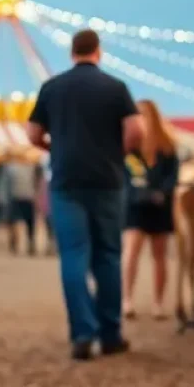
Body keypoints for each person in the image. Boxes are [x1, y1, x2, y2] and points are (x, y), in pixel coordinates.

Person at [27, 28, 143, 361]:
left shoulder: (53, 88)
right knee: (107, 256)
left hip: (67, 182)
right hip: (107, 179)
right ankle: (110, 334)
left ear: (72, 52)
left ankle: (82, 333)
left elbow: (33, 132)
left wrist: (52, 147)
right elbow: (137, 129)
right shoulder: (115, 87)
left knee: (74, 256)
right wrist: (117, 153)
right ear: (98, 52)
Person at [122, 99, 179, 320]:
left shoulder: (168, 148)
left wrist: (161, 193)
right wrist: (140, 193)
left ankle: (158, 302)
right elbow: (126, 178)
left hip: (159, 208)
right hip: (135, 207)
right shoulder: (130, 149)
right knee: (131, 252)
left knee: (160, 255)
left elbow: (172, 177)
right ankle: (126, 300)